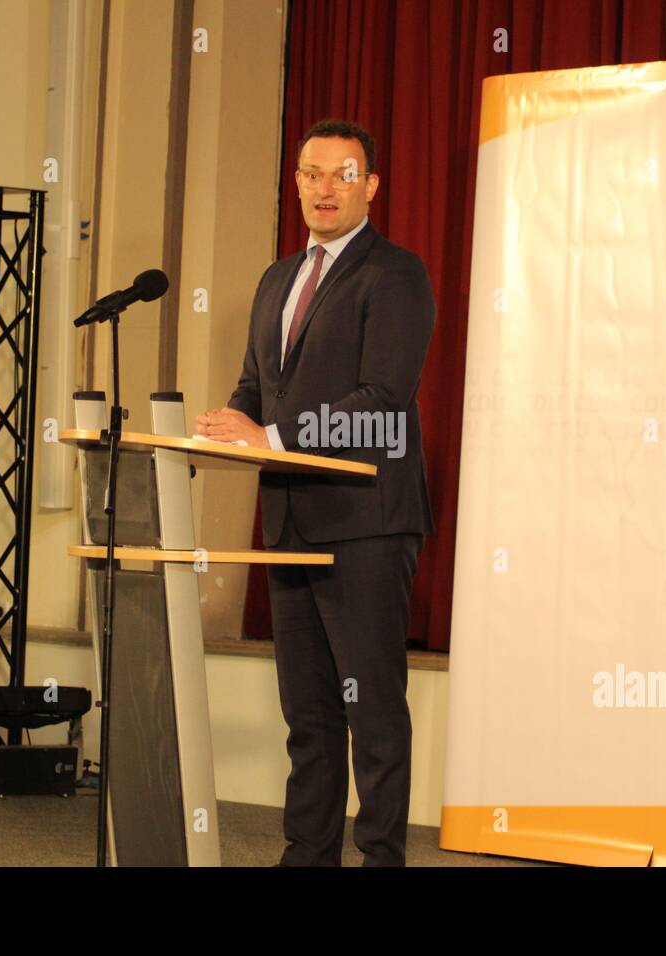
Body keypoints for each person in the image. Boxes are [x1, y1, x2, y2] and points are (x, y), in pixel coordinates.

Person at [196, 118, 435, 866]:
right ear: (294, 182)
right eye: (310, 173)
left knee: (373, 713)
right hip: (292, 522)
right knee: (309, 715)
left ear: (371, 185)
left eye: (342, 174)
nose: (324, 188)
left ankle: (382, 858)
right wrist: (211, 431)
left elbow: (381, 402)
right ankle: (307, 856)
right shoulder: (277, 279)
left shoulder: (395, 274)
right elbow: (254, 391)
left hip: (365, 526)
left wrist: (268, 438)